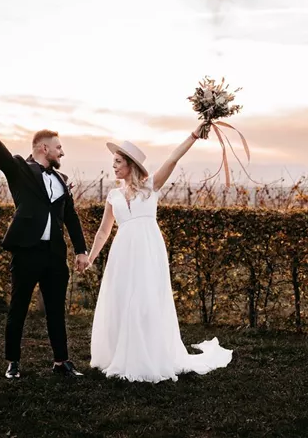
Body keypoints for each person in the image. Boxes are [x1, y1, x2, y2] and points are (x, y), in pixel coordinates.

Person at [85, 128, 233, 383]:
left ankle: (149, 354)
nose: (114, 167)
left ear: (131, 165)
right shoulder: (113, 196)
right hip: (122, 253)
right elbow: (103, 231)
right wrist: (90, 257)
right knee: (123, 299)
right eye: (114, 163)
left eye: (118, 162)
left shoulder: (151, 186)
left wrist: (193, 136)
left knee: (145, 299)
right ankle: (123, 354)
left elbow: (173, 159)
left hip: (148, 250)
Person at [0, 91, 89, 379]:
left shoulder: (62, 181)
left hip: (54, 255)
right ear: (43, 148)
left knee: (56, 311)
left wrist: (80, 250)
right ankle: (13, 362)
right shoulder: (20, 170)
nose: (62, 152)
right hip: (26, 252)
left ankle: (62, 362)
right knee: (18, 308)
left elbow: (70, 217)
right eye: (58, 147)